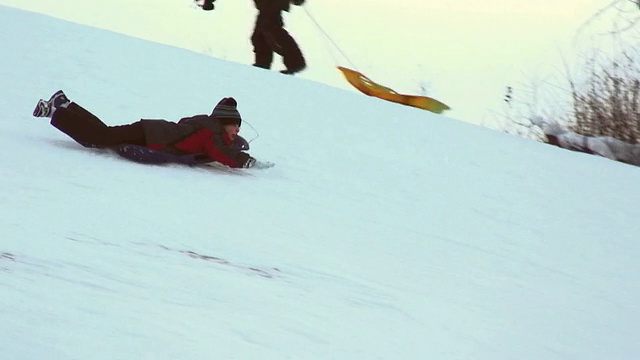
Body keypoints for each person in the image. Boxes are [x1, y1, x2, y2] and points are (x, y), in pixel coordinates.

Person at [32, 90, 269, 168]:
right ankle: (55, 111)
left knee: (103, 134)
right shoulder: (211, 131)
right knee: (99, 138)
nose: (236, 131)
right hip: (149, 134)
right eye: (235, 126)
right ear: (224, 122)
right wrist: (246, 161)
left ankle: (63, 104)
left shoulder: (208, 127)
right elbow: (220, 153)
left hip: (150, 132)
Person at [207, 0, 306, 75]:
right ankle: (262, 66)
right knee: (259, 36)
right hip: (267, 6)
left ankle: (295, 62)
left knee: (271, 31)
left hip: (271, 5)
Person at [532, 116, 640, 167]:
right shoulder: (563, 140)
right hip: (609, 147)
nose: (549, 141)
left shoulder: (567, 139)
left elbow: (593, 144)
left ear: (554, 136)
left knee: (634, 155)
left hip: (610, 146)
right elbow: (544, 124)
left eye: (550, 138)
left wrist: (609, 161)